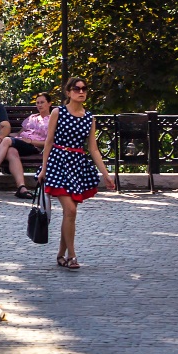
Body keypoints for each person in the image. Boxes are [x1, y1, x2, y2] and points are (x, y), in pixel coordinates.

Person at [41, 76, 113, 269]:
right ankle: (72, 255)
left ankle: (60, 255)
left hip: (77, 165)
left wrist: (105, 174)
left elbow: (93, 148)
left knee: (69, 214)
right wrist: (44, 168)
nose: (81, 92)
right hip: (58, 162)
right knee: (70, 210)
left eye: (84, 88)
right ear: (68, 92)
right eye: (76, 88)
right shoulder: (58, 112)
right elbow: (48, 142)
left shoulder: (89, 118)